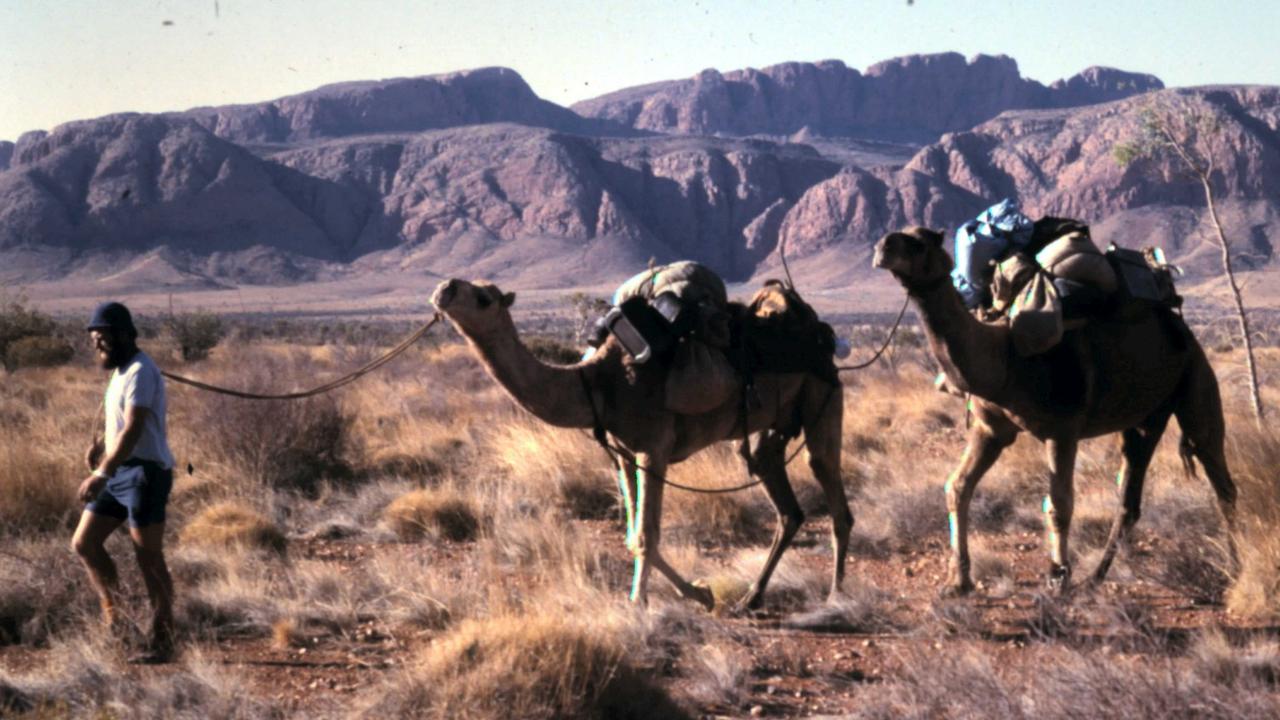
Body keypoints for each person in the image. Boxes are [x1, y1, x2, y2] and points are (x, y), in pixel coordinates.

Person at [72, 301, 177, 664]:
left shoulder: (140, 372)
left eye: (103, 339)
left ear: (124, 335)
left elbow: (134, 428)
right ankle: (116, 621)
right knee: (84, 543)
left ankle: (164, 640)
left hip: (145, 474)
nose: (98, 346)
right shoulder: (120, 371)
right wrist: (102, 447)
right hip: (119, 471)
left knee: (148, 556)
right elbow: (121, 425)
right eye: (94, 340)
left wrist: (101, 473)